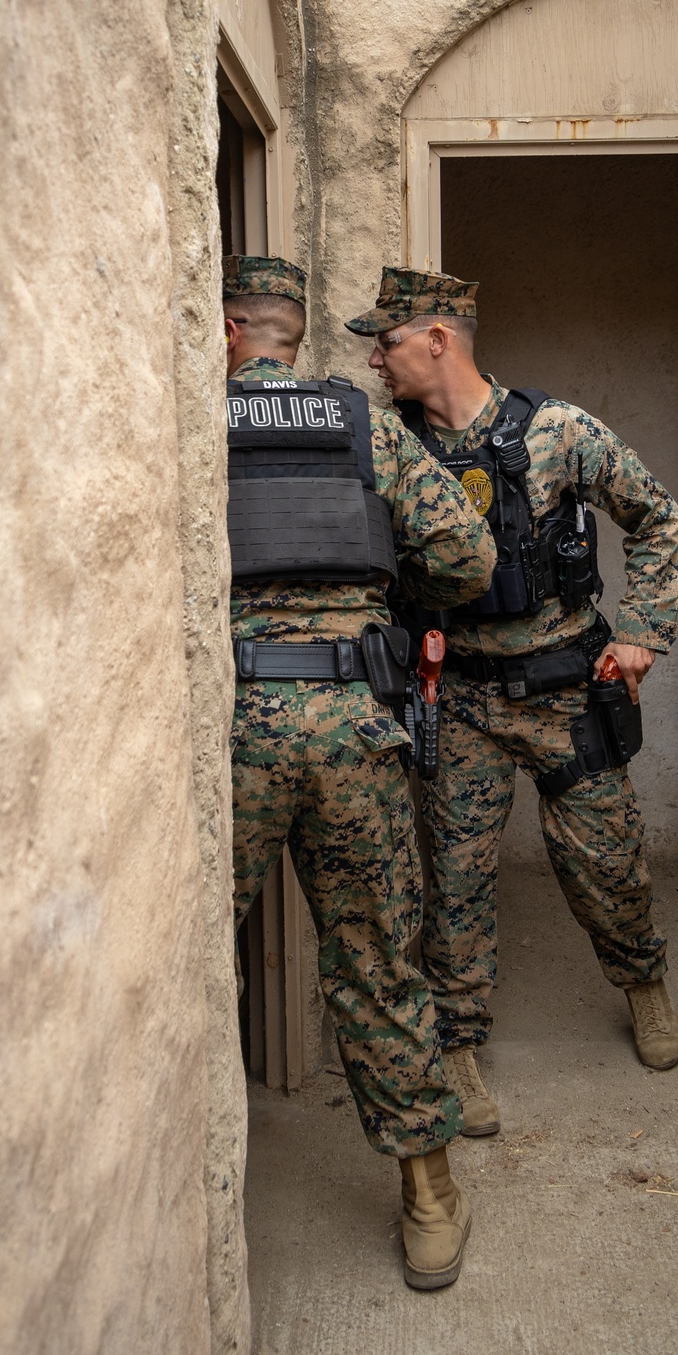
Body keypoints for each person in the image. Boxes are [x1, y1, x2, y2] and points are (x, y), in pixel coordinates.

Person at [345, 267, 678, 1137]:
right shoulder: (391, 444)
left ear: (436, 340)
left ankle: (643, 983)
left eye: (385, 342)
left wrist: (641, 631)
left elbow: (655, 517)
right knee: (453, 883)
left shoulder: (558, 431)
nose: (375, 361)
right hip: (457, 697)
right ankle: (457, 1041)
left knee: (607, 865)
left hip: (568, 690)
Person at [224, 254, 497, 1287]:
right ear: (295, 334)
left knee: (198, 966)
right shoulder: (364, 423)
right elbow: (465, 560)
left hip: (233, 729)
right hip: (351, 728)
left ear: (227, 332)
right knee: (378, 964)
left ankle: (192, 1203)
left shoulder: (190, 421)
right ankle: (429, 1194)